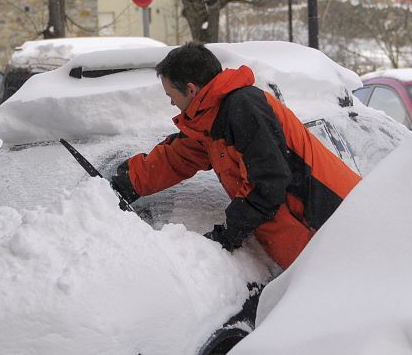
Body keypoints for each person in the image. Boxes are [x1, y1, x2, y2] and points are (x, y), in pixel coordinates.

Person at [110, 42, 361, 270]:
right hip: (312, 248)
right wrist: (125, 182)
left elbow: (269, 181)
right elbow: (177, 158)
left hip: (336, 233)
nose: (171, 103)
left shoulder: (243, 108)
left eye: (171, 96)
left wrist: (229, 234)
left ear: (191, 89)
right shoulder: (211, 118)